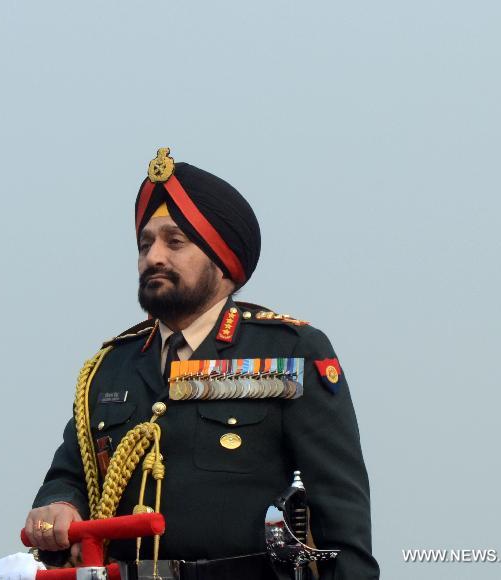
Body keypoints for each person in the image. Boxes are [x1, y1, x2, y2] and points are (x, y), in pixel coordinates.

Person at [23, 148, 379, 579]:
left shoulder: (290, 351)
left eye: (175, 242)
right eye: (145, 243)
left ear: (223, 262)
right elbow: (70, 473)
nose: (154, 257)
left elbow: (342, 522)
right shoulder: (108, 368)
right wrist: (61, 502)